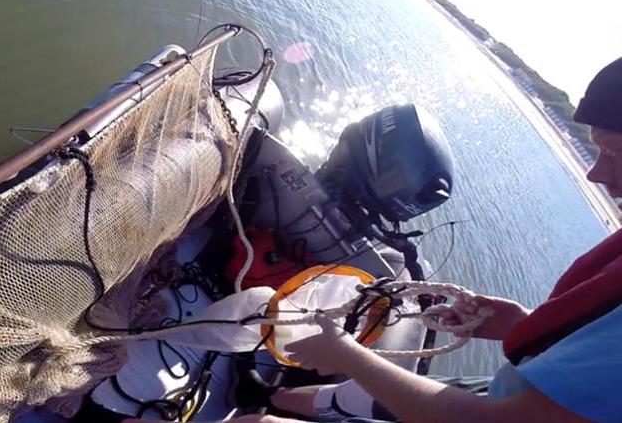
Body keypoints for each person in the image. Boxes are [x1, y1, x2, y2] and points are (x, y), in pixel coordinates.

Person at [127, 56, 622, 423]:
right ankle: (272, 395)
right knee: (318, 398)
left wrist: (345, 355)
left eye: (616, 154)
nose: (596, 172)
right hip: (502, 392)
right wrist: (518, 322)